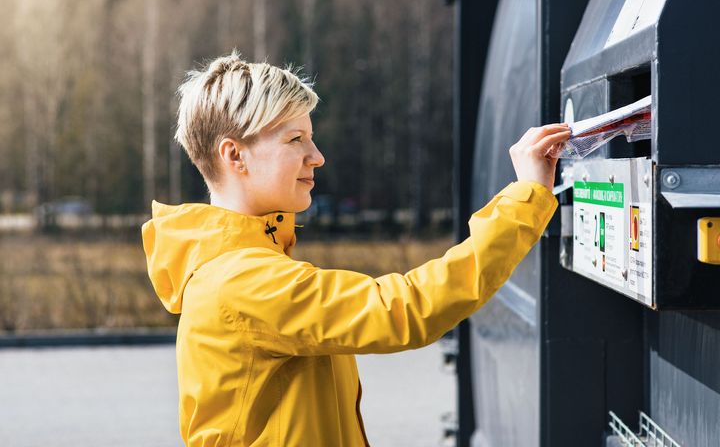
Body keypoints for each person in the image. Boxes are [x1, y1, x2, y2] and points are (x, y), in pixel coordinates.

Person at [141, 51, 571, 447]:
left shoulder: (245, 267)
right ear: (235, 155)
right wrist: (527, 198)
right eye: (295, 140)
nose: (317, 156)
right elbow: (404, 309)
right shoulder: (241, 282)